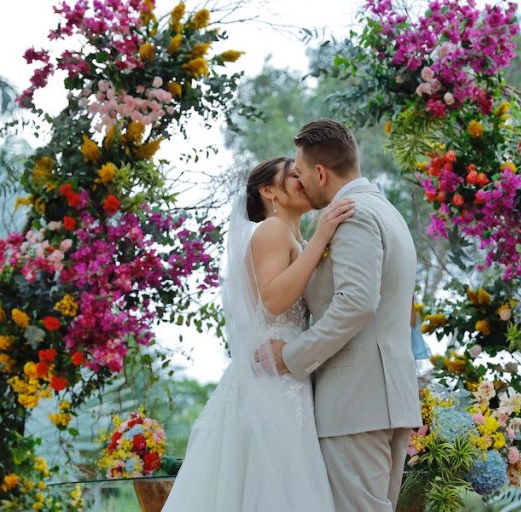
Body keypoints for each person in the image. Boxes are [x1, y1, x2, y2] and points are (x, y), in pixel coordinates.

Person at [162, 156, 354, 511]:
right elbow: (275, 298)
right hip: (270, 384)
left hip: (288, 376)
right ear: (269, 190)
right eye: (294, 175)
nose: (303, 180)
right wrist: (322, 236)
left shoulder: (294, 236)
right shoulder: (272, 230)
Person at [259, 119, 422, 511]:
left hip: (355, 404)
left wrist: (292, 357)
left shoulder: (354, 214)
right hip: (384, 400)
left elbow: (356, 303)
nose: (299, 181)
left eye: (300, 173)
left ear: (320, 173)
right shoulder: (387, 211)